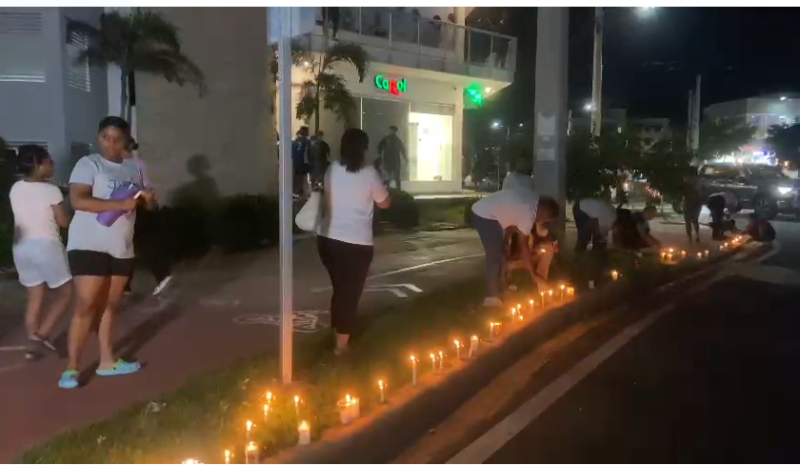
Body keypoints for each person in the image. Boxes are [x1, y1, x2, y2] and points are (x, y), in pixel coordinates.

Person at [59, 116, 156, 389]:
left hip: (122, 246)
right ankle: (72, 368)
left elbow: (148, 209)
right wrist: (118, 202)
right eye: (106, 138)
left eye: (117, 139)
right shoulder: (89, 164)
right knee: (87, 304)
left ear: (126, 140)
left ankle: (107, 361)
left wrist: (148, 200)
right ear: (99, 137)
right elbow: (78, 200)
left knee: (111, 306)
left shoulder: (135, 168)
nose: (111, 144)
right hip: (88, 243)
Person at [317, 128, 391, 355]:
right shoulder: (369, 173)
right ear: (364, 148)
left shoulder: (332, 169)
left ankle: (337, 332)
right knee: (350, 293)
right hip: (356, 243)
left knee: (340, 289)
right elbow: (385, 203)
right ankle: (341, 347)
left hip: (327, 239)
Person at [9, 145, 72, 354]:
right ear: (38, 165)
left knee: (35, 295)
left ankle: (31, 342)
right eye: (49, 162)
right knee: (65, 292)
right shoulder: (51, 190)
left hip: (21, 248)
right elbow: (63, 222)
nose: (52, 165)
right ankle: (42, 335)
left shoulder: (16, 188)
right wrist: (68, 205)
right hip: (46, 245)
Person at [471, 189, 560, 307]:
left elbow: (512, 223)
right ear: (544, 212)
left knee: (500, 252)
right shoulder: (529, 213)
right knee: (494, 255)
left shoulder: (531, 199)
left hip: (487, 211)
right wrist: (534, 275)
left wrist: (506, 241)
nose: (542, 221)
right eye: (545, 219)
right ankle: (492, 299)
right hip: (485, 215)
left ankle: (502, 287)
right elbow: (524, 246)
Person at [123, 138, 173, 296]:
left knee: (139, 245)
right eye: (129, 149)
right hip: (132, 209)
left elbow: (145, 187)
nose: (130, 152)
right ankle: (160, 278)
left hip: (135, 208)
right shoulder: (129, 164)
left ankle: (161, 278)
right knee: (132, 246)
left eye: (131, 149)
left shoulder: (134, 164)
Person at [377, 126, 407, 190]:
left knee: (396, 177)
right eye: (391, 131)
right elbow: (379, 148)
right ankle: (386, 190)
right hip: (387, 160)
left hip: (395, 161)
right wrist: (380, 157)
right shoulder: (385, 139)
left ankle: (398, 190)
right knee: (387, 176)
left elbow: (402, 150)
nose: (391, 132)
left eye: (393, 131)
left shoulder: (397, 140)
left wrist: (405, 158)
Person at [682, 175, 704, 243]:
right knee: (694, 221)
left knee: (689, 222)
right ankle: (695, 236)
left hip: (690, 204)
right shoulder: (696, 184)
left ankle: (690, 238)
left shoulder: (688, 186)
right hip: (693, 205)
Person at [292, 126, 311, 198]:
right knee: (303, 178)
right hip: (302, 162)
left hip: (295, 162)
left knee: (297, 178)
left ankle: (296, 193)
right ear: (305, 132)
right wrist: (309, 163)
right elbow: (307, 153)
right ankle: (303, 194)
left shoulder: (295, 140)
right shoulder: (306, 141)